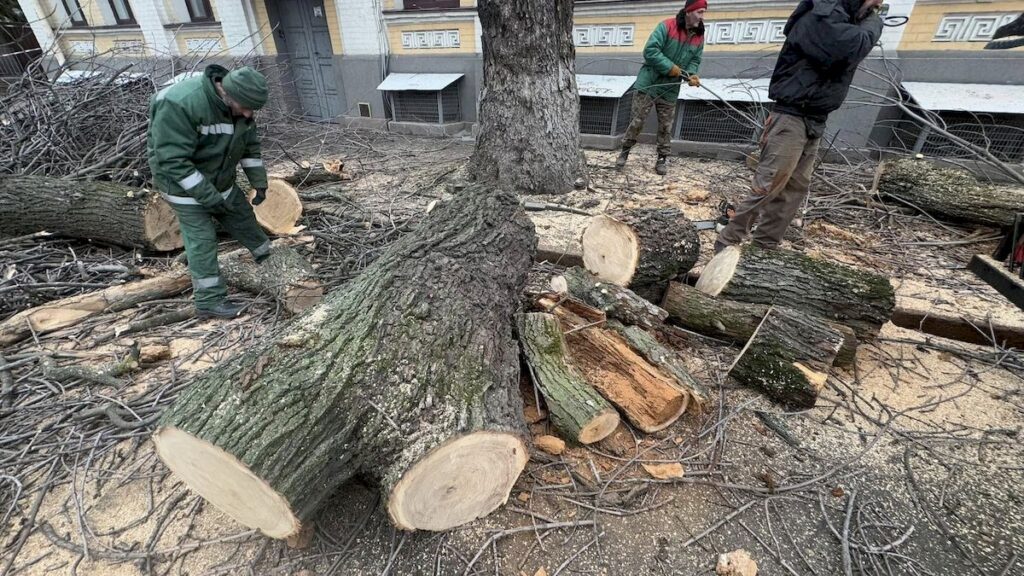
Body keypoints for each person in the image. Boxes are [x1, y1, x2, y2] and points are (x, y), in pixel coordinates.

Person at [715, 0, 883, 252]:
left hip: (815, 118)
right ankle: (727, 244)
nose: (878, 3)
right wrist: (874, 23)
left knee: (793, 190)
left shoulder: (843, 19)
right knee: (769, 185)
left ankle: (765, 248)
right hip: (791, 117)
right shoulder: (820, 15)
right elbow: (851, 47)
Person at [147, 65, 273, 318]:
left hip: (220, 177)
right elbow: (172, 161)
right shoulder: (180, 103)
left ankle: (270, 259)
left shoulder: (241, 110)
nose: (249, 114)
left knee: (242, 216)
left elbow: (250, 148)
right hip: (183, 184)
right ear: (228, 94)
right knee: (203, 239)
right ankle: (209, 301)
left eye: (252, 110)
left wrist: (259, 181)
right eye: (246, 107)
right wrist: (208, 197)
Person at [616, 0, 706, 176]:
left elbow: (695, 59)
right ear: (689, 11)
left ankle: (662, 158)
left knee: (666, 126)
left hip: (671, 88)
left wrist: (692, 74)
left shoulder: (699, 36)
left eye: (704, 12)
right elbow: (650, 51)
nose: (702, 16)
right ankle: (624, 152)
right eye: (700, 12)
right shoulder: (667, 26)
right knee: (637, 121)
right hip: (649, 83)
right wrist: (670, 67)